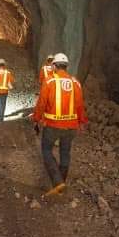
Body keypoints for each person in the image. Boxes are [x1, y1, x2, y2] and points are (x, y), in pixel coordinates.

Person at [32, 53, 87, 196]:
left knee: (46, 150)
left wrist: (36, 118)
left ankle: (57, 182)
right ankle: (61, 183)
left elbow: (42, 103)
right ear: (67, 66)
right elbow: (80, 105)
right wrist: (81, 122)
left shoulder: (49, 81)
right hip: (71, 126)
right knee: (65, 152)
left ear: (54, 66)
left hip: (53, 125)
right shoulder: (75, 82)